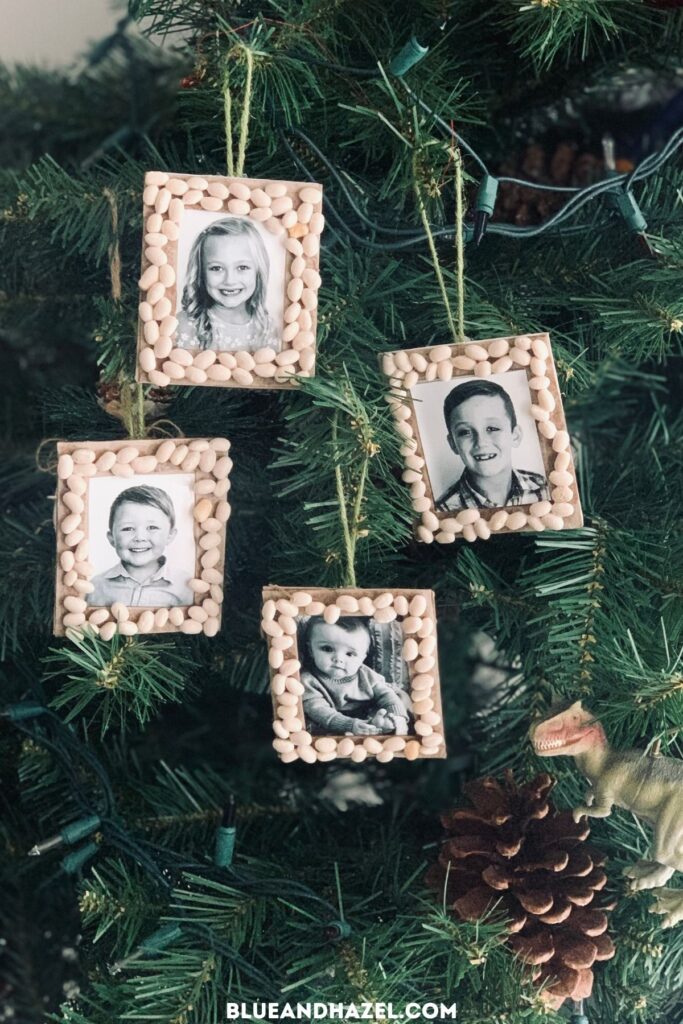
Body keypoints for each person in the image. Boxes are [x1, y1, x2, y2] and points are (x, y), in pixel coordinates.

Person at [435, 378, 549, 511]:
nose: (481, 443)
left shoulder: (545, 488)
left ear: (515, 435)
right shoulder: (442, 511)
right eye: (465, 432)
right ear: (453, 444)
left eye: (492, 428)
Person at [176, 216, 280, 353]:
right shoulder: (185, 326)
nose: (230, 280)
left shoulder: (268, 328)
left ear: (258, 271)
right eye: (216, 268)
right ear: (200, 272)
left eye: (242, 267)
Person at [299, 616, 410, 736]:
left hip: (369, 712)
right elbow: (320, 711)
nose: (338, 659)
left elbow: (387, 695)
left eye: (350, 654)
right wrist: (350, 725)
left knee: (398, 698)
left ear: (363, 657)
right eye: (327, 649)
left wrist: (398, 716)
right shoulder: (308, 680)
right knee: (313, 725)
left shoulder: (366, 675)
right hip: (334, 722)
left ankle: (384, 724)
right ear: (311, 650)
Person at [88, 485, 193, 607]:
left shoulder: (186, 586)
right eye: (128, 528)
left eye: (152, 527)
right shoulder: (95, 587)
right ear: (111, 538)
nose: (139, 537)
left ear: (170, 535)